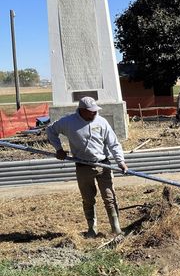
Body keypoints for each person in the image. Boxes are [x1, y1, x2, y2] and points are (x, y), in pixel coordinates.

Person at [46, 97, 128, 237]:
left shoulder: (101, 122)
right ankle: (92, 228)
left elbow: (113, 143)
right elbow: (51, 130)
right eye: (91, 111)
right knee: (88, 198)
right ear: (82, 110)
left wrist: (120, 161)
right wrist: (58, 149)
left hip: (103, 164)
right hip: (83, 166)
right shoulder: (69, 122)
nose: (94, 113)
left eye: (96, 111)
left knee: (110, 197)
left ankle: (116, 228)